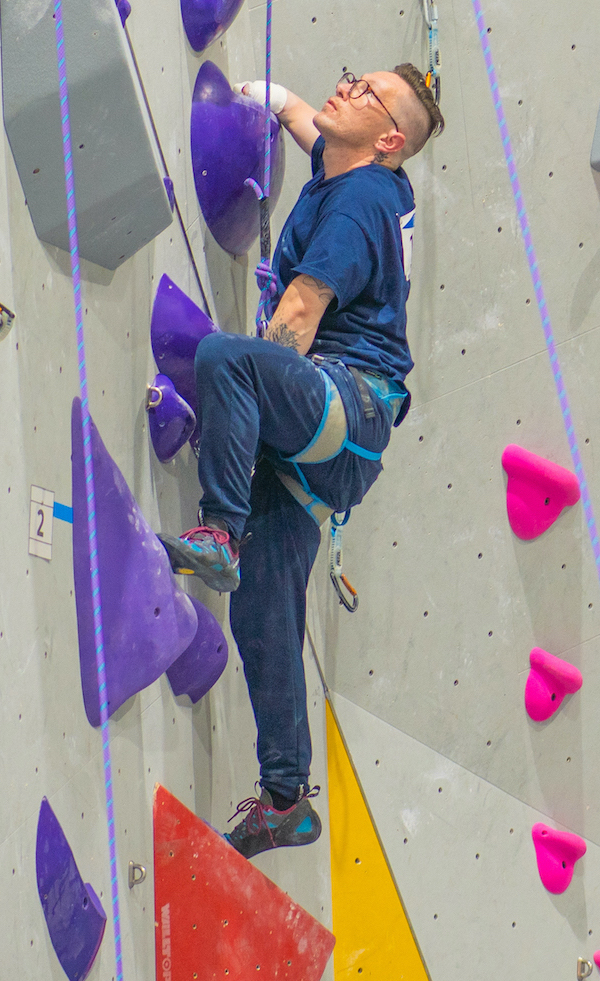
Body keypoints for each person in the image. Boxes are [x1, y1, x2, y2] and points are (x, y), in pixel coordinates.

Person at [162, 64, 442, 858]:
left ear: (390, 140)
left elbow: (298, 313)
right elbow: (318, 137)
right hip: (337, 438)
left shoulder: (360, 202)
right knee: (264, 609)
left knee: (231, 359)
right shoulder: (356, 172)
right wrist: (274, 97)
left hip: (342, 406)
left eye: (365, 91)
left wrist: (254, 416)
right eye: (353, 76)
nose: (345, 88)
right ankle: (286, 798)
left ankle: (218, 532)